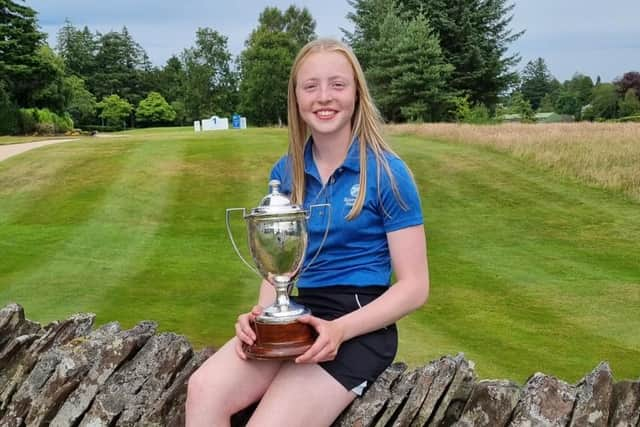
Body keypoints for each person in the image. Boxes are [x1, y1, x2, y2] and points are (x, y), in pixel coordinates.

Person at [186, 38, 429, 427]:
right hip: (300, 315)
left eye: (337, 84)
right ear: (296, 98)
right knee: (203, 390)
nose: (324, 97)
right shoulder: (286, 172)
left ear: (356, 93)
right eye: (310, 86)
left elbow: (415, 286)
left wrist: (340, 329)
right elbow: (278, 265)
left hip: (360, 325)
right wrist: (261, 316)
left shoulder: (387, 173)